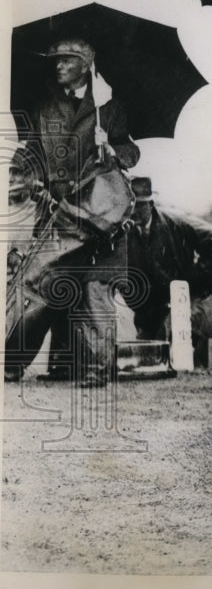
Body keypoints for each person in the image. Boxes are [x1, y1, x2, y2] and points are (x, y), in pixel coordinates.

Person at [7, 39, 140, 387]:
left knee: (96, 287)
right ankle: (12, 364)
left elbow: (130, 152)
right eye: (56, 60)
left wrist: (114, 151)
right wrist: (28, 179)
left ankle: (96, 369)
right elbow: (31, 153)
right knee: (45, 286)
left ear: (87, 63)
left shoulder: (110, 107)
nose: (58, 66)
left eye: (67, 60)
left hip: (99, 216)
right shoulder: (43, 107)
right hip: (57, 213)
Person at [124, 177, 212, 369]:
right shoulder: (124, 230)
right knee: (146, 359)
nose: (134, 211)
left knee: (185, 349)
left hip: (187, 298)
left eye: (140, 205)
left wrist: (195, 282)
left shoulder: (177, 222)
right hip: (151, 307)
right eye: (130, 205)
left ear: (151, 204)